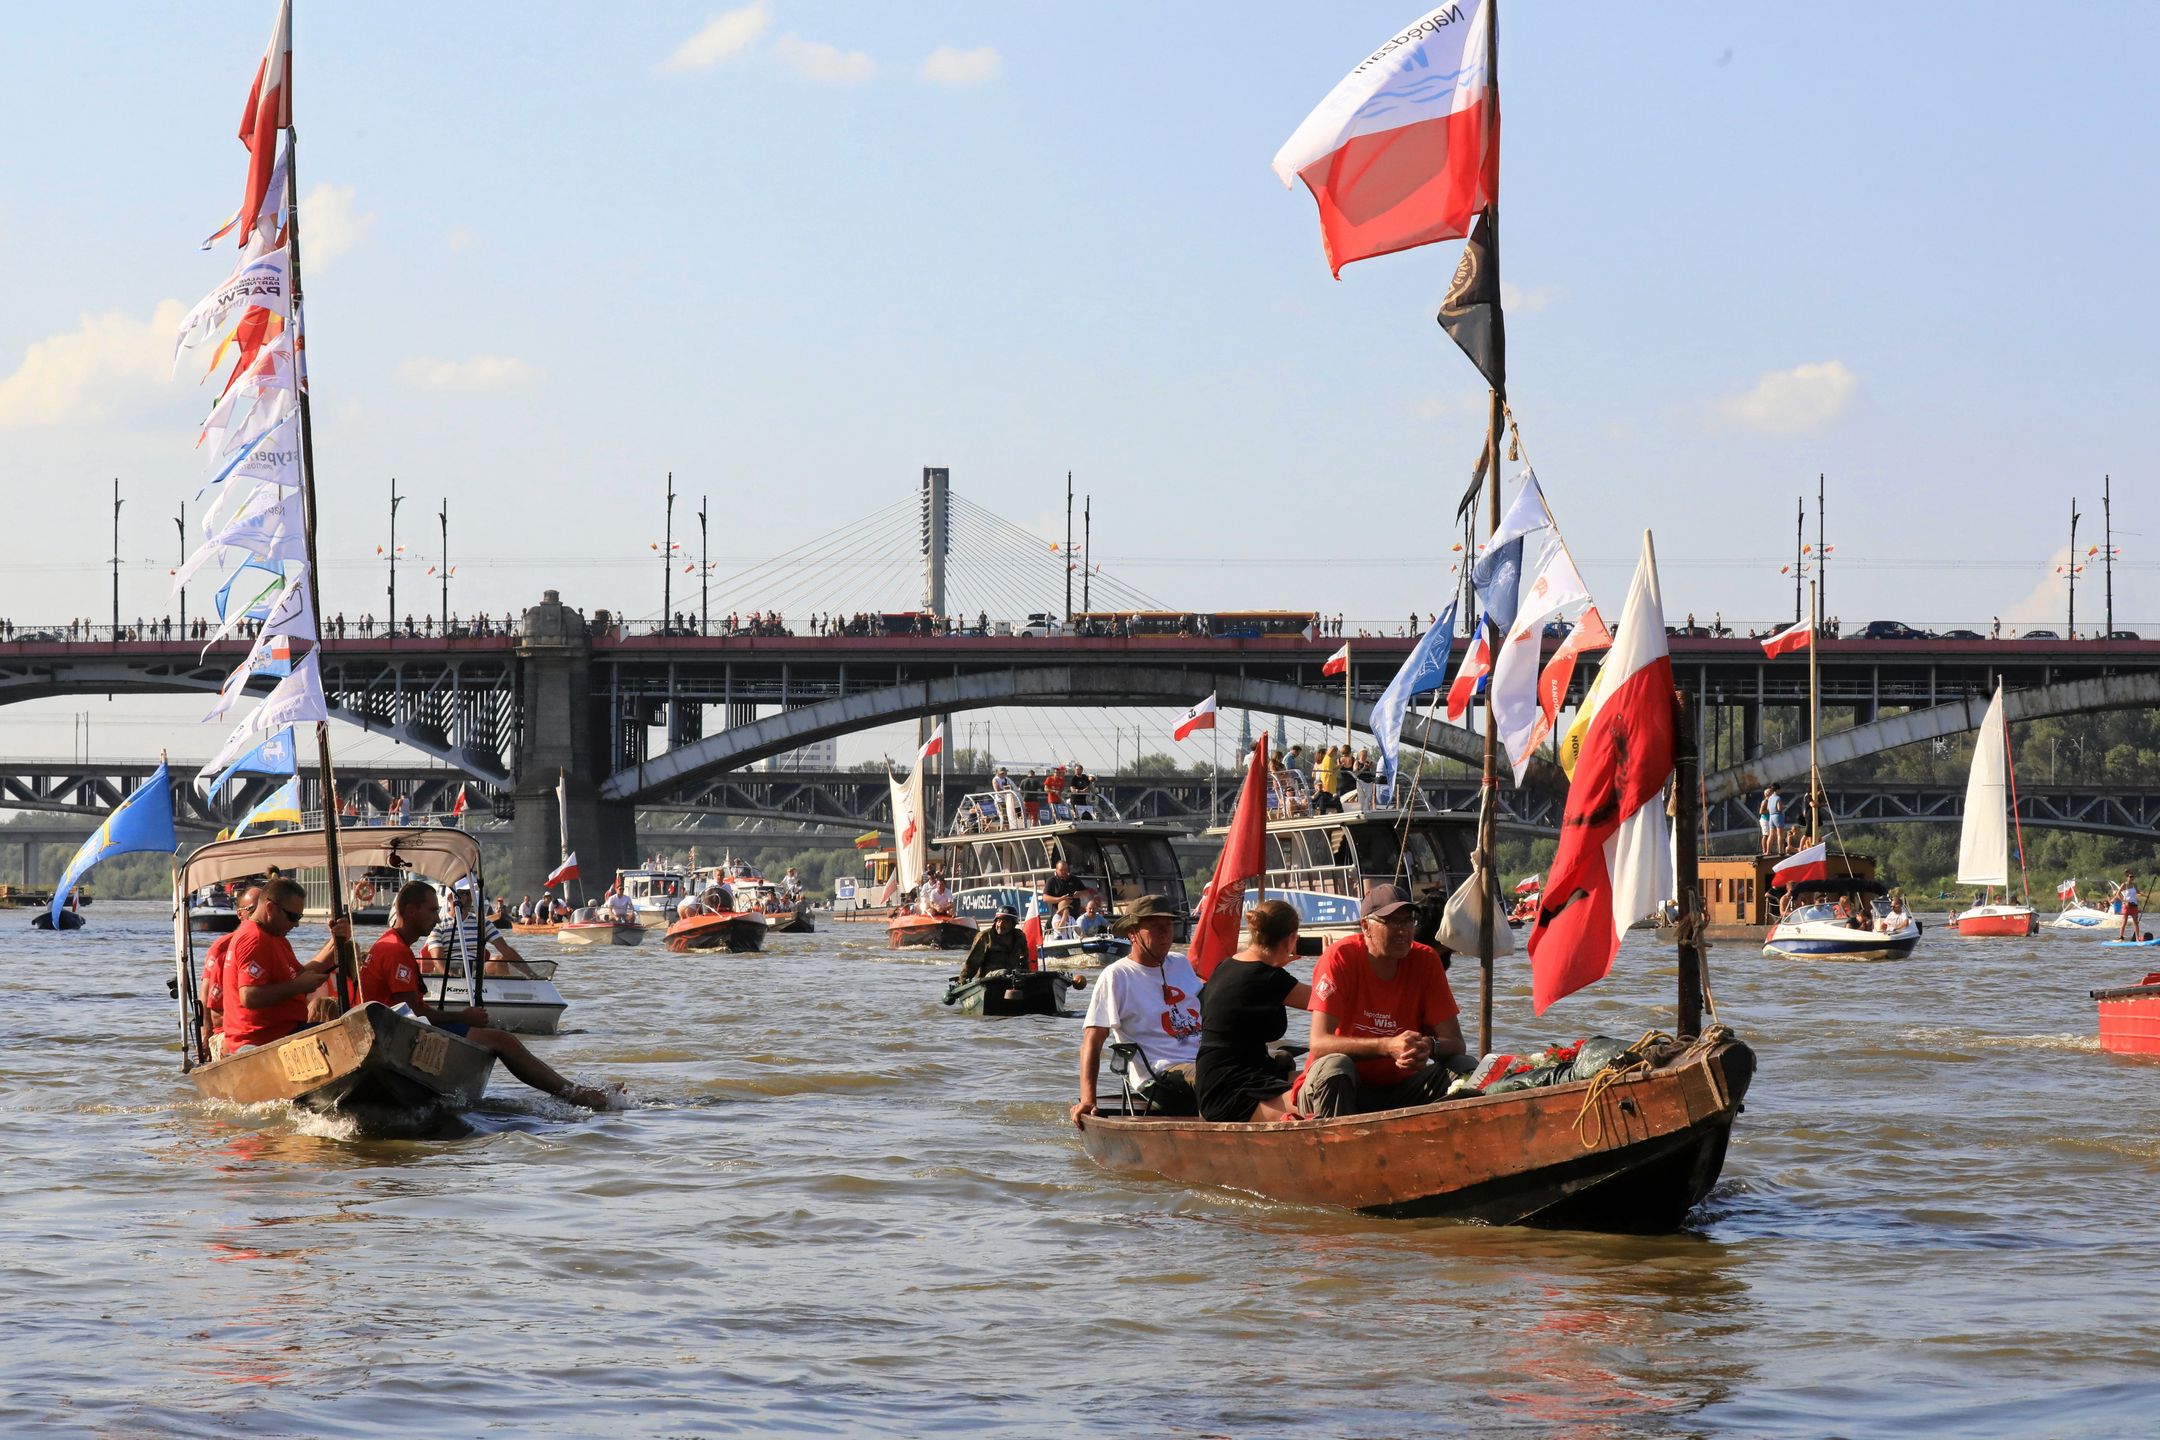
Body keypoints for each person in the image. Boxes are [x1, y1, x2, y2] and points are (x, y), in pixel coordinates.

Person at [362, 881, 619, 1108]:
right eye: (431, 911)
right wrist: (465, 1015)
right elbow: (414, 1014)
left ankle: (572, 1090)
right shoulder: (396, 950)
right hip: (397, 1034)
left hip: (393, 1029)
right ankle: (574, 1094)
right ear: (410, 910)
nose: (437, 919)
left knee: (499, 1030)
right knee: (503, 1041)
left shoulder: (390, 943)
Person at [1297, 884, 1468, 1119]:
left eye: (1408, 921)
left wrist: (1428, 1046)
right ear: (1366, 926)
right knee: (1336, 1067)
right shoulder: (1341, 957)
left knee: (1464, 1067)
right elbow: (1319, 1043)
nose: (1403, 931)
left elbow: (1456, 1043)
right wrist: (1387, 1046)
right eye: (1392, 922)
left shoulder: (1426, 960)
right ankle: (1335, 1147)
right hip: (1342, 1087)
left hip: (1399, 1089)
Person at [1071, 894, 1203, 1123]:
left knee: (1276, 1062)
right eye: (1155, 927)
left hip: (1205, 1060)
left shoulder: (1180, 963)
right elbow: (1092, 1042)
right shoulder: (1116, 976)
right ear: (1132, 933)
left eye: (1169, 925)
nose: (1165, 933)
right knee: (1214, 1075)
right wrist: (1088, 1100)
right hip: (1161, 1074)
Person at [1197, 900, 1313, 1123]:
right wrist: (1329, 960)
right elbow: (1329, 1000)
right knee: (1322, 1099)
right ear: (1291, 938)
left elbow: (1254, 986)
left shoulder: (1227, 966)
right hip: (1232, 1090)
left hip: (1223, 1076)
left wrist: (1277, 963)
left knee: (1326, 1082)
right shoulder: (1270, 979)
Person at [222, 879, 353, 1052]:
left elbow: (300, 975)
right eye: (292, 917)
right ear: (270, 908)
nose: (296, 924)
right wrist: (297, 986)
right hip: (262, 1040)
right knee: (349, 1038)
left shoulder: (275, 936)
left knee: (353, 1029)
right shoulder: (254, 939)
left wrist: (337, 941)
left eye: (299, 917)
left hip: (284, 1031)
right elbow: (249, 996)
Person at [198, 883, 263, 1057]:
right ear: (240, 913)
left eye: (263, 907)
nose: (260, 914)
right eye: (254, 909)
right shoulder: (223, 948)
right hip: (230, 1033)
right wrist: (205, 1034)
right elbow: (206, 996)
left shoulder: (274, 942)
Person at [425, 881, 537, 978]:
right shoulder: (438, 924)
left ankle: (502, 999)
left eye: (471, 893)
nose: (470, 898)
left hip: (476, 973)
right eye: (465, 894)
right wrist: (450, 976)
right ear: (450, 898)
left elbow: (505, 949)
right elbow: (437, 960)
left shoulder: (482, 922)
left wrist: (532, 974)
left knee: (498, 961)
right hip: (450, 973)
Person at [960, 906, 1031, 982]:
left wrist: (1027, 976)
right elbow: (972, 963)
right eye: (998, 921)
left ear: (1012, 924)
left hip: (1012, 977)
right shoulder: (985, 937)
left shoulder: (1019, 936)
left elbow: (1024, 959)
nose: (1000, 925)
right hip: (989, 979)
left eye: (1005, 922)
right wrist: (963, 980)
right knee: (1004, 972)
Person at [2120, 872, 2142, 940]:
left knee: (2136, 923)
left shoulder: (2134, 885)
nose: (2132, 878)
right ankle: (2121, 937)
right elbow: (2117, 894)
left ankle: (2137, 938)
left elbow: (2138, 892)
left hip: (2134, 905)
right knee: (2124, 922)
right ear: (2127, 877)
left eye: (2132, 876)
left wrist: (2145, 896)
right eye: (2130, 876)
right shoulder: (2124, 885)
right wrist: (2124, 901)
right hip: (2126, 906)